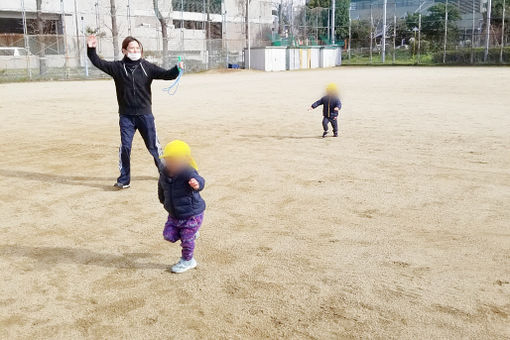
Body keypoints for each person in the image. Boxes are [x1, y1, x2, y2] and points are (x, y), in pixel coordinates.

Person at [86, 35, 184, 189]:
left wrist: (177, 68)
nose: (135, 50)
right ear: (124, 50)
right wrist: (91, 49)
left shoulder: (147, 67)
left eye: (137, 48)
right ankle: (124, 179)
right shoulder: (117, 68)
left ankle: (166, 173)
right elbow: (98, 62)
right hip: (126, 116)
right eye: (131, 48)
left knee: (154, 146)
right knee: (125, 146)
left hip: (145, 115)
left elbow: (166, 74)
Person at [158, 140, 206, 273]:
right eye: (169, 160)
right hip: (174, 213)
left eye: (175, 161)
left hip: (191, 214)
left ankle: (188, 260)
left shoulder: (188, 172)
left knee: (186, 239)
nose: (171, 163)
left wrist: (197, 184)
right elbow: (161, 187)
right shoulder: (164, 172)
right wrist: (163, 200)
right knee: (169, 235)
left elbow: (200, 180)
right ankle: (192, 232)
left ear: (185, 160)